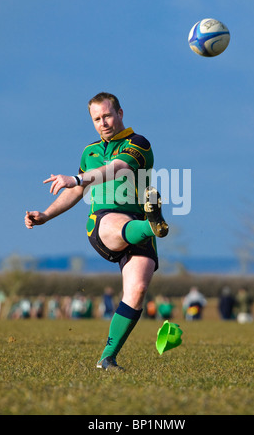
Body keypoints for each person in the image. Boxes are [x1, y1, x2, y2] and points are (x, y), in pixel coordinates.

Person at [24, 92, 169, 371]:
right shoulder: (88, 152)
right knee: (116, 221)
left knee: (137, 290)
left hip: (137, 221)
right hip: (103, 223)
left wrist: (77, 177)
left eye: (107, 115)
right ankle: (152, 225)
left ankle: (107, 358)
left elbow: (118, 168)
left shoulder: (138, 142)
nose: (103, 122)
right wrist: (45, 214)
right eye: (97, 119)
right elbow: (78, 190)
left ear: (120, 113)